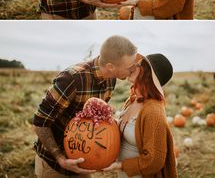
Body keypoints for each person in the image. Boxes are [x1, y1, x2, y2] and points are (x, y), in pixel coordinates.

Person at [33, 35, 138, 178]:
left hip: (84, 159)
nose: (132, 70)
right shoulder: (72, 79)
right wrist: (60, 158)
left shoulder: (111, 79)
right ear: (110, 67)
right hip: (54, 163)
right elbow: (40, 121)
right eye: (129, 67)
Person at [103, 53, 177, 178]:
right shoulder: (133, 99)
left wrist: (120, 165)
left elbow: (154, 161)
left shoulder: (153, 112)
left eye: (137, 66)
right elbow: (128, 130)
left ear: (147, 74)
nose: (131, 67)